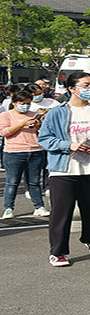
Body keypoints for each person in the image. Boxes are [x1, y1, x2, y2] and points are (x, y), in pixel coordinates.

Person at [39, 72, 90, 267]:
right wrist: (68, 145)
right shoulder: (57, 112)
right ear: (71, 88)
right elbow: (44, 139)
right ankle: (58, 252)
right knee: (61, 213)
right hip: (63, 170)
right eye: (86, 85)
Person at [0, 91, 50, 219]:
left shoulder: (33, 115)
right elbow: (4, 132)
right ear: (14, 103)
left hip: (35, 151)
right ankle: (8, 208)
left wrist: (38, 126)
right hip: (14, 152)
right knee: (12, 182)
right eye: (22, 103)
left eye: (28, 103)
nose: (25, 106)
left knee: (34, 182)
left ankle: (39, 206)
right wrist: (22, 124)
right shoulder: (6, 115)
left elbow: (42, 132)